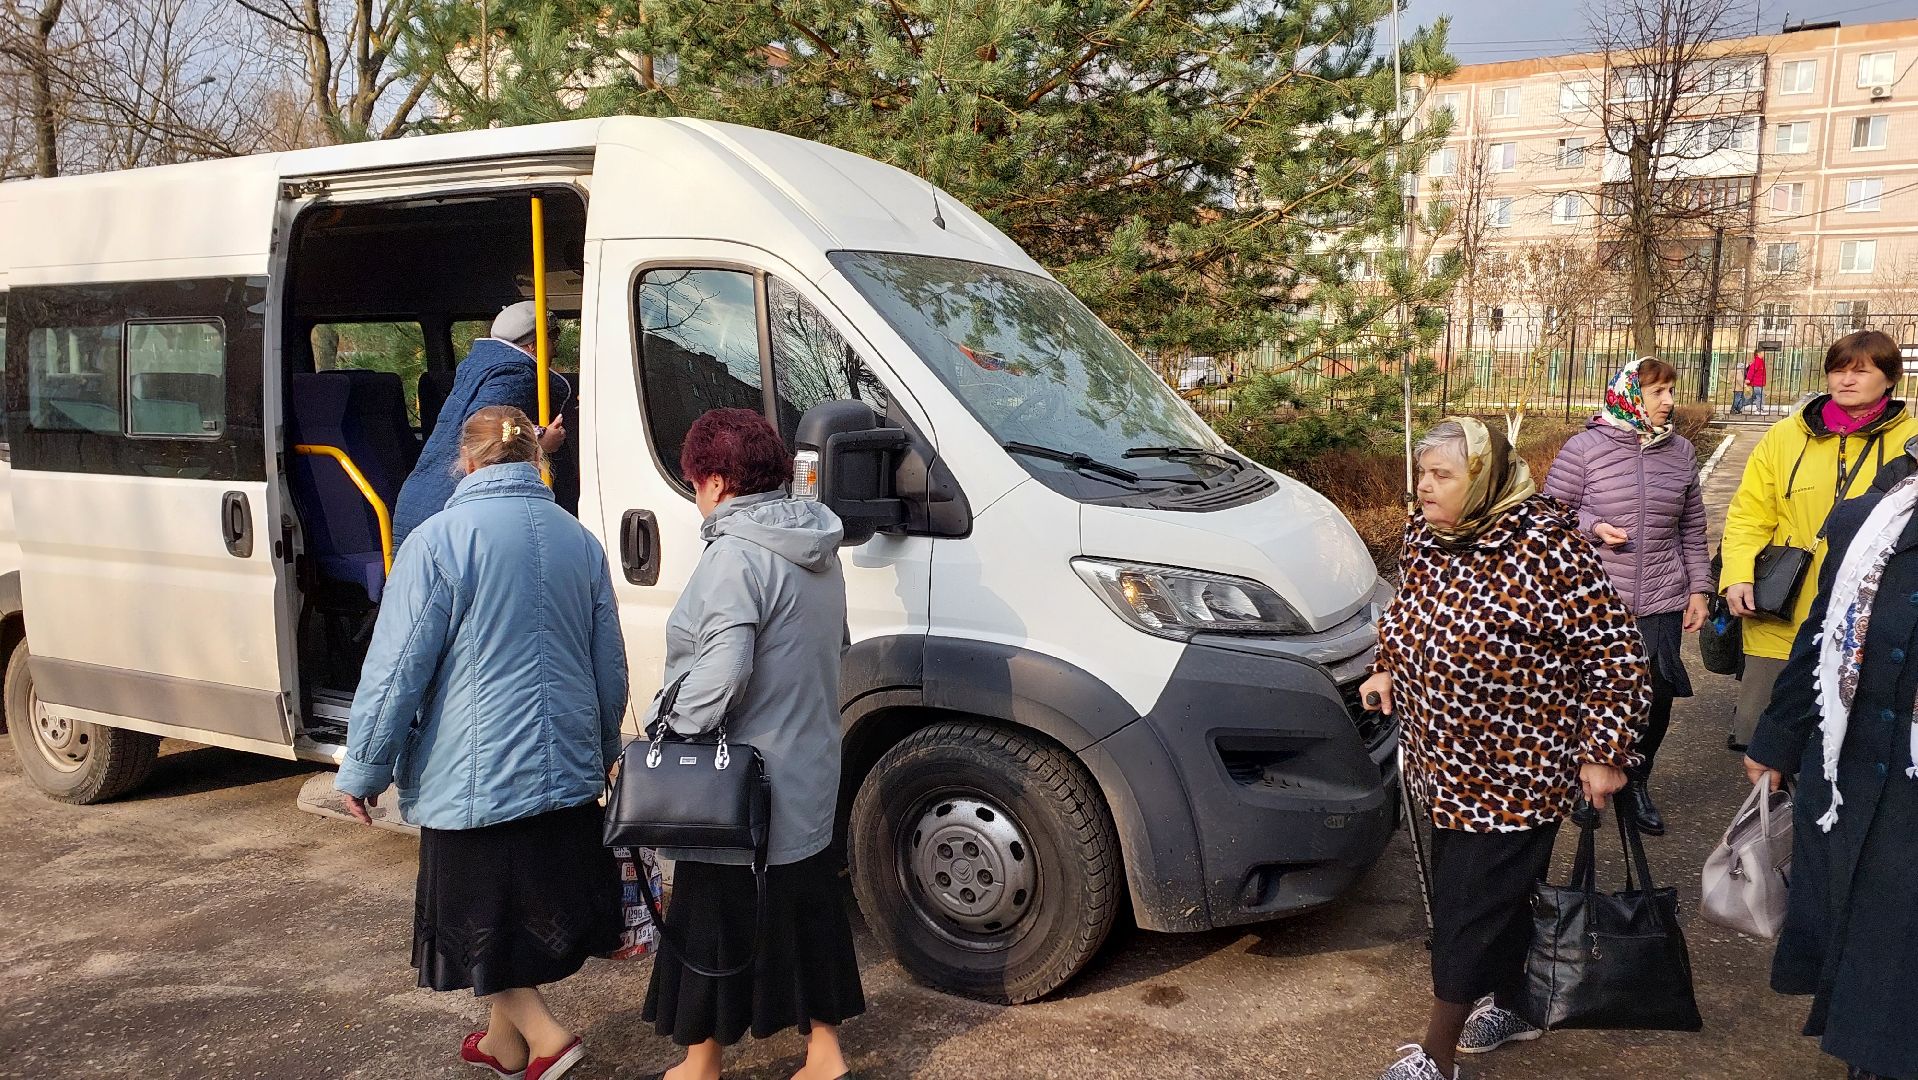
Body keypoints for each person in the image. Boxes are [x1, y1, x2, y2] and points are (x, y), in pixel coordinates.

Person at [335, 405, 628, 1080]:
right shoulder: (579, 540)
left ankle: (548, 1040)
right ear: (535, 458)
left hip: (473, 781)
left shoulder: (437, 542)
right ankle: (505, 1044)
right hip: (562, 775)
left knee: (472, 925)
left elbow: (396, 669)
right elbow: (608, 666)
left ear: (464, 462)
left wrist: (364, 767)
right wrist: (601, 747)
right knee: (509, 922)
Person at [1362, 417, 1649, 1080]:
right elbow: (1408, 612)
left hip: (1518, 770)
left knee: (1466, 913)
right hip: (1442, 761)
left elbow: (1616, 654)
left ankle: (1435, 1058)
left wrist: (1604, 751)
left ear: (1483, 479)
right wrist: (1387, 665)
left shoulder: (1547, 547)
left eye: (1442, 475)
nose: (1424, 486)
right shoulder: (1427, 534)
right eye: (1422, 473)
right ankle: (1517, 1003)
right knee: (1499, 899)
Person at [641, 408, 865, 1080]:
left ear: (715, 481)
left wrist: (666, 723)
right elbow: (837, 646)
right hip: (809, 768)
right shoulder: (817, 546)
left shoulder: (735, 556)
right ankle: (825, 1054)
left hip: (739, 783)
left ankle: (701, 1062)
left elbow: (724, 672)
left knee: (711, 912)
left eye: (695, 483)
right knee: (808, 908)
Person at [1744, 464, 1918, 1080]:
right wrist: (1777, 741)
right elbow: (1823, 634)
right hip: (1856, 774)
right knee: (1873, 952)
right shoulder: (1875, 517)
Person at [1721, 330, 1918, 751]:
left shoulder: (1911, 443)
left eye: (1861, 371)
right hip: (1782, 610)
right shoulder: (1784, 436)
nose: (1846, 380)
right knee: (1765, 741)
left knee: (1852, 747)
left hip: (1871, 616)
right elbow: (1749, 513)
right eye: (1838, 370)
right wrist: (1737, 574)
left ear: (1889, 379)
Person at [1542, 357, 1711, 835]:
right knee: (1587, 694)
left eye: (1671, 390)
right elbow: (1549, 517)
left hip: (1661, 597)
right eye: (1658, 392)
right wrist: (1593, 527)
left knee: (1655, 697)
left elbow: (1692, 528)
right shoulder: (1584, 449)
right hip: (1595, 600)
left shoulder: (1680, 452)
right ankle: (1583, 781)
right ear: (1630, 395)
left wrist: (1699, 588)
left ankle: (1636, 781)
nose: (1669, 401)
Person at [391, 301, 569, 549]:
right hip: (452, 508)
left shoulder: (478, 367)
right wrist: (541, 438)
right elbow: (486, 424)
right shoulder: (515, 373)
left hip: (425, 499)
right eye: (553, 338)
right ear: (533, 344)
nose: (556, 349)